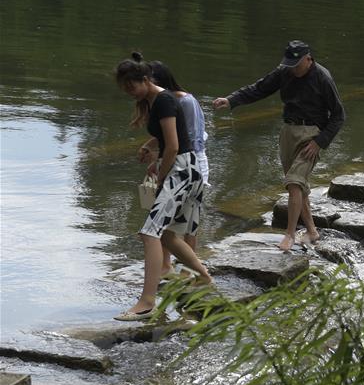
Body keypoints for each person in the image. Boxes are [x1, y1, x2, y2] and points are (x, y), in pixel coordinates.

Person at [213, 40, 346, 253]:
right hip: (288, 132)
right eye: (289, 64)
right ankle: (312, 231)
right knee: (299, 187)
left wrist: (319, 143)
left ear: (308, 59)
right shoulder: (284, 71)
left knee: (293, 183)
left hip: (311, 134)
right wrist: (231, 100)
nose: (292, 68)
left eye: (297, 64)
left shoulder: (322, 77)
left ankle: (290, 234)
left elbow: (339, 116)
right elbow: (259, 88)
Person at [115, 52, 212, 321]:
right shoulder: (157, 100)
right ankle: (203, 277)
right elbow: (168, 140)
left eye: (132, 86)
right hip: (189, 169)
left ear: (145, 79)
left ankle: (147, 303)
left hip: (182, 170)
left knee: (150, 232)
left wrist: (161, 178)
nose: (129, 92)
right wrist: (150, 148)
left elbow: (173, 145)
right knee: (169, 235)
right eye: (125, 89)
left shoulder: (165, 101)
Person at [137, 61, 210, 278]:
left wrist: (162, 165)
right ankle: (166, 265)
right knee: (165, 221)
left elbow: (185, 138)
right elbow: (165, 136)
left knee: (187, 224)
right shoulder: (162, 101)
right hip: (171, 161)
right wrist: (153, 153)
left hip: (190, 164)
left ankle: (190, 271)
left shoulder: (183, 101)